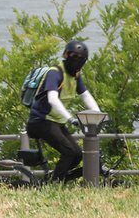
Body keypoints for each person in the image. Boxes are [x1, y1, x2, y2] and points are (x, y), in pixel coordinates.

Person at [25, 39, 102, 182]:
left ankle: (58, 179)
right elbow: (52, 99)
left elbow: (85, 95)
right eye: (74, 56)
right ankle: (55, 184)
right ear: (66, 55)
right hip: (41, 121)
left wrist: (99, 115)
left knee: (78, 154)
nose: (77, 61)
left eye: (81, 59)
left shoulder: (75, 76)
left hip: (56, 122)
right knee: (69, 152)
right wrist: (70, 119)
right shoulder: (55, 73)